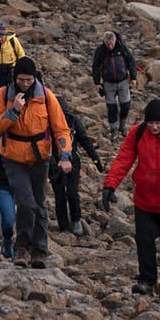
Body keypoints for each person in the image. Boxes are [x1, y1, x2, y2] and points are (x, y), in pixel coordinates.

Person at [100, 99, 160, 302]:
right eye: (151, 123)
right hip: (144, 199)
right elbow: (124, 159)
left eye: (158, 123)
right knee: (144, 241)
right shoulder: (137, 133)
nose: (154, 127)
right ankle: (147, 281)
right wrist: (110, 185)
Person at [0, 56, 73, 268]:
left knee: (40, 204)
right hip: (13, 158)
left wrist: (65, 155)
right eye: (22, 80)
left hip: (39, 158)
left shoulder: (46, 97)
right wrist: (13, 111)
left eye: (29, 80)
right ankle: (22, 246)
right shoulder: (3, 95)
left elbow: (61, 128)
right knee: (25, 201)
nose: (25, 84)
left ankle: (39, 250)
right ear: (15, 77)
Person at [48, 83, 103, 238]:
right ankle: (63, 226)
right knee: (59, 195)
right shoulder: (46, 123)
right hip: (53, 162)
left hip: (73, 161)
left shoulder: (73, 121)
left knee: (72, 192)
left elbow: (85, 141)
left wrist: (96, 161)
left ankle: (76, 219)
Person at [91, 31, 138, 139]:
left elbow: (131, 62)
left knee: (125, 105)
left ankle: (122, 126)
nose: (110, 46)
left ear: (115, 40)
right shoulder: (100, 51)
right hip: (108, 84)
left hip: (123, 82)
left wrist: (134, 77)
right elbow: (96, 67)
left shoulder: (122, 48)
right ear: (104, 42)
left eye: (111, 43)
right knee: (112, 108)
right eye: (107, 43)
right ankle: (114, 130)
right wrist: (97, 82)